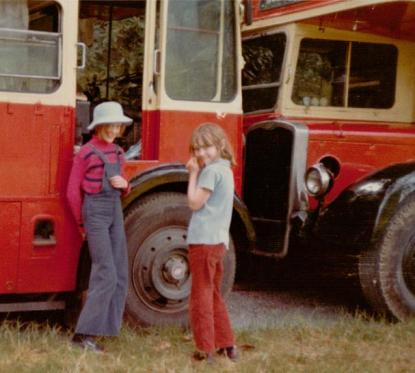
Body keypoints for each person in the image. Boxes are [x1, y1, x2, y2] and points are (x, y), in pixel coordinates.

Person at [66, 101, 132, 352]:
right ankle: (82, 335)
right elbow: (73, 193)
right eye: (110, 124)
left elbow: (125, 187)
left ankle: (104, 329)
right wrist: (82, 224)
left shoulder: (118, 152)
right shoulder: (85, 152)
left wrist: (124, 185)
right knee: (106, 272)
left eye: (118, 125)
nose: (114, 129)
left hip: (114, 209)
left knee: (120, 272)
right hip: (94, 213)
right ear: (99, 126)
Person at [186, 123, 238, 363]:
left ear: (219, 145)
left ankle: (204, 349)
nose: (200, 153)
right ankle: (227, 344)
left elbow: (195, 203)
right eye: (197, 148)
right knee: (214, 293)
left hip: (203, 242)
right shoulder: (226, 170)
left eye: (206, 147)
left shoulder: (209, 172)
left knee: (201, 296)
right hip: (218, 242)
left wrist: (193, 174)